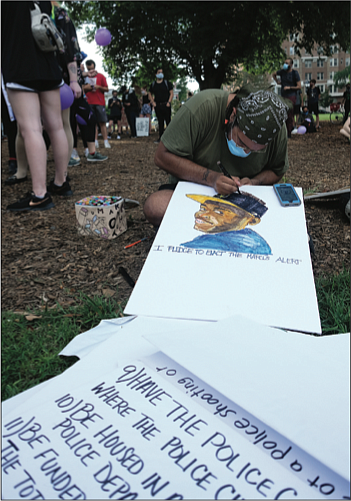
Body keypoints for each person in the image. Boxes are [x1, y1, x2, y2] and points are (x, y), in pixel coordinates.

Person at [143, 86, 291, 226]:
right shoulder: (202, 107)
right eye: (242, 142)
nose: (246, 152)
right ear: (233, 115)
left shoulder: (274, 128)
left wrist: (254, 182)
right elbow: (162, 156)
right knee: (155, 206)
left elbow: (277, 170)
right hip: (196, 187)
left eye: (256, 150)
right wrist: (211, 178)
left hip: (244, 201)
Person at [2, 1, 69, 212]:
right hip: (49, 65)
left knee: (30, 128)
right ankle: (61, 182)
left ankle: (40, 195)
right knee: (56, 126)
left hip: (20, 64)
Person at [181, 192, 271, 255]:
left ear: (251, 220)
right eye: (203, 209)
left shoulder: (207, 243)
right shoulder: (258, 242)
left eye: (219, 212)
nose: (200, 214)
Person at [82, 59, 110, 149]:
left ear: (94, 66)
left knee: (102, 122)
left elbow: (106, 89)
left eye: (91, 68)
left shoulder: (101, 76)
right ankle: (95, 141)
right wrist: (88, 88)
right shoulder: (85, 77)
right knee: (92, 123)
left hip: (100, 102)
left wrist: (99, 87)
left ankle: (106, 141)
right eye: (88, 68)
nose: (90, 70)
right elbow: (81, 88)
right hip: (89, 102)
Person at [272, 58, 301, 138]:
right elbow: (273, 74)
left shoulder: (295, 73)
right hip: (283, 96)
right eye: (284, 63)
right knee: (283, 114)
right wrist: (277, 81)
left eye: (287, 63)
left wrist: (289, 87)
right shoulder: (282, 72)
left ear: (291, 65)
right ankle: (283, 132)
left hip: (291, 96)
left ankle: (288, 133)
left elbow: (299, 86)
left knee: (290, 114)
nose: (285, 64)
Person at [148, 67, 174, 143]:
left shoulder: (167, 83)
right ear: (156, 74)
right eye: (159, 72)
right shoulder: (153, 84)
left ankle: (171, 138)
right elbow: (149, 93)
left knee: (168, 121)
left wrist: (169, 102)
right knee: (160, 122)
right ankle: (161, 138)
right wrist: (153, 102)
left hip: (166, 104)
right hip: (158, 105)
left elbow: (171, 93)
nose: (161, 74)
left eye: (162, 72)